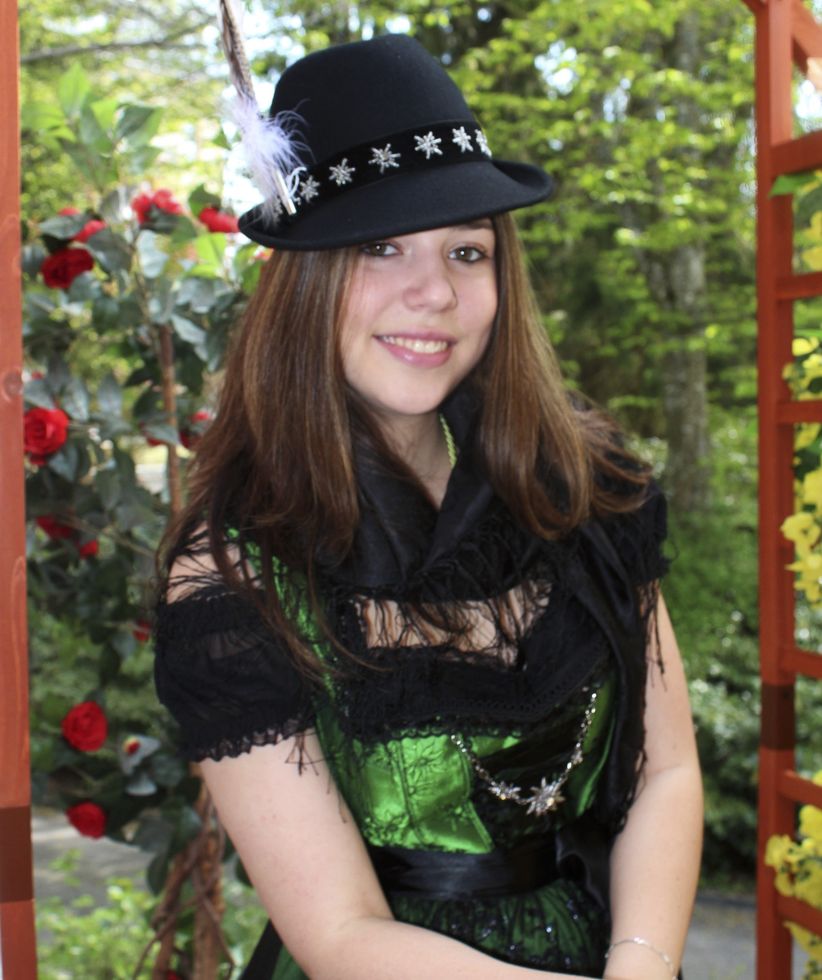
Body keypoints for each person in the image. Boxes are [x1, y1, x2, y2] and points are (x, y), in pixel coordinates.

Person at [154, 33, 702, 980]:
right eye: (381, 247)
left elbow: (669, 772)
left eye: (466, 250)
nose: (436, 293)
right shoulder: (234, 575)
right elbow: (339, 935)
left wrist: (641, 965)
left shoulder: (583, 485)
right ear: (304, 280)